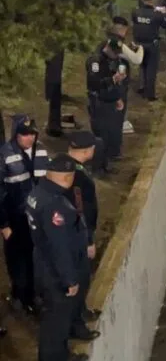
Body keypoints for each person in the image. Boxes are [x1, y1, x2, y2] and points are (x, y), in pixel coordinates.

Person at [27, 154, 97, 361]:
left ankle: (68, 343)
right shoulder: (53, 205)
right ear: (68, 177)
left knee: (63, 315)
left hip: (48, 263)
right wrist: (69, 279)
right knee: (55, 322)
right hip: (56, 272)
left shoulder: (40, 192)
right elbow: (59, 247)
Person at [0, 115, 49, 315]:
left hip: (36, 216)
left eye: (32, 134)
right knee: (17, 258)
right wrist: (3, 224)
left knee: (35, 257)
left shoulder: (42, 151)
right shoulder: (5, 154)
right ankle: (19, 294)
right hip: (15, 218)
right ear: (16, 135)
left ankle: (32, 294)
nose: (29, 138)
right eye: (25, 134)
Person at [64, 132, 103, 322]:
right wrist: (88, 241)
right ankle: (77, 318)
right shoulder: (79, 177)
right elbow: (82, 211)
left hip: (67, 234)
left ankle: (79, 312)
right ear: (88, 151)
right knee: (80, 277)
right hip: (77, 236)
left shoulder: (61, 165)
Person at [85, 36, 128, 166]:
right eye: (114, 52)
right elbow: (94, 83)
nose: (116, 55)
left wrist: (117, 97)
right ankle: (98, 166)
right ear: (108, 47)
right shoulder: (95, 61)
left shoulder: (114, 60)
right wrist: (112, 80)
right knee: (101, 135)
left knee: (110, 134)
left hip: (110, 101)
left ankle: (107, 163)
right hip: (98, 102)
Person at [132, 0, 165, 102]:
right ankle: (150, 94)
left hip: (139, 44)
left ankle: (141, 87)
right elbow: (165, 24)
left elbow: (135, 22)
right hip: (151, 44)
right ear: (153, 1)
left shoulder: (135, 12)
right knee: (151, 69)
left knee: (142, 65)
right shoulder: (156, 14)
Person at [44, 51, 65, 137]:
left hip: (53, 78)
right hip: (55, 78)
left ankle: (54, 126)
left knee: (54, 101)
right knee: (55, 101)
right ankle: (54, 126)